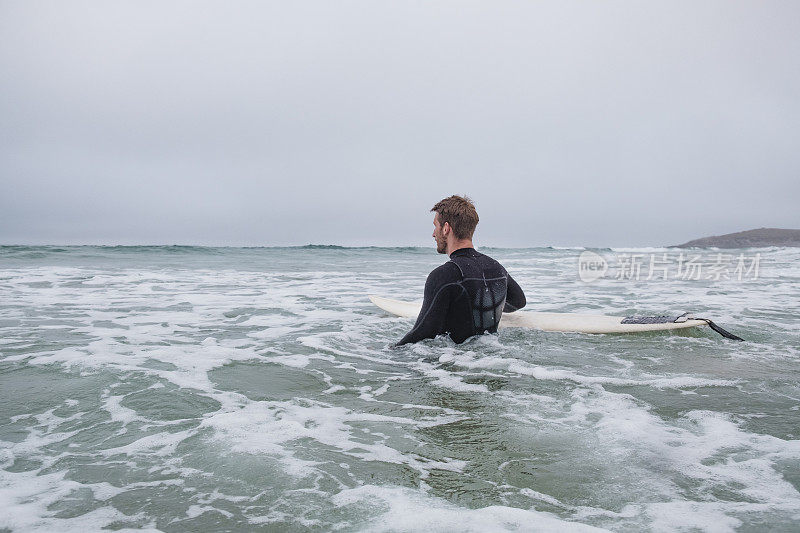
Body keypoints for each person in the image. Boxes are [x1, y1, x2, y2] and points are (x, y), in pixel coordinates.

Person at [395, 195, 526, 346]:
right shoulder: (496, 267)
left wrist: (388, 352)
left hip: (451, 363)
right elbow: (519, 301)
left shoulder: (444, 274)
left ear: (446, 228)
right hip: (489, 355)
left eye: (435, 226)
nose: (433, 233)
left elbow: (421, 334)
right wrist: (486, 309)